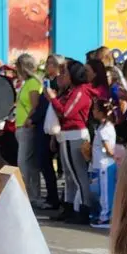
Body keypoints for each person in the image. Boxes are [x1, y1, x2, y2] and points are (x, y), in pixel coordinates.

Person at [47, 60, 94, 223]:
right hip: (67, 135)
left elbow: (66, 112)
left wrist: (52, 99)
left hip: (75, 135)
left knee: (78, 175)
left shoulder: (80, 91)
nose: (62, 76)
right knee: (68, 176)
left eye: (65, 73)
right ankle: (69, 208)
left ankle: (83, 209)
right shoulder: (71, 91)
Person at [32, 53, 63, 211]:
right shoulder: (47, 82)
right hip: (43, 126)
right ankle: (51, 196)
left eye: (51, 63)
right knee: (43, 163)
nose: (47, 66)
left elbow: (48, 107)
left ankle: (54, 197)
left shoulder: (57, 83)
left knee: (47, 162)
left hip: (50, 127)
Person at [14, 52, 42, 203]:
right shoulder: (27, 83)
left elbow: (35, 105)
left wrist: (28, 120)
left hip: (26, 127)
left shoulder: (32, 83)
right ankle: (31, 195)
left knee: (24, 162)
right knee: (27, 163)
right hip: (20, 127)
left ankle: (29, 195)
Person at [89, 96, 117, 228]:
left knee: (106, 192)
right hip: (100, 164)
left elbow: (108, 149)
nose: (93, 112)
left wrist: (115, 155)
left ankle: (106, 217)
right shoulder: (102, 127)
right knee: (100, 191)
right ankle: (103, 214)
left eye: (95, 109)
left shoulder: (105, 129)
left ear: (101, 112)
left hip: (105, 164)